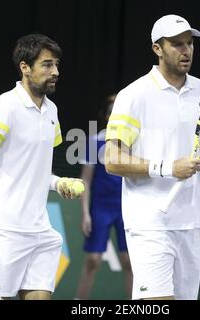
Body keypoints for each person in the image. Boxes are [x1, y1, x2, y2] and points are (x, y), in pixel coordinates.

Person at [104, 15, 200, 300]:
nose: (186, 50)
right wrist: (168, 168)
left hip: (192, 221)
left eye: (189, 43)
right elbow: (112, 160)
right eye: (176, 44)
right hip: (149, 221)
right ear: (157, 48)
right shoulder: (133, 95)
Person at [0, 34, 84, 300]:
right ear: (24, 67)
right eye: (47, 65)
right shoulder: (1, 109)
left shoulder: (52, 111)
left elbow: (35, 170)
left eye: (57, 65)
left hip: (40, 231)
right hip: (2, 233)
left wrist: (57, 182)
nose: (56, 72)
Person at [75, 94, 133, 300]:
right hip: (100, 208)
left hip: (126, 208)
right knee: (93, 259)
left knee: (129, 261)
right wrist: (85, 214)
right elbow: (86, 181)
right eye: (111, 112)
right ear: (106, 116)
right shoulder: (94, 141)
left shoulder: (133, 142)